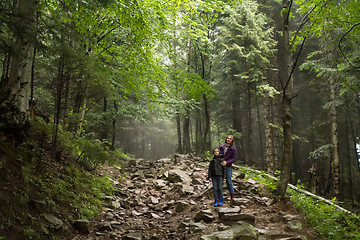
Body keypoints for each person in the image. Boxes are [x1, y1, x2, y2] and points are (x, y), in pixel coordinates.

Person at [219, 135, 237, 201]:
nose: (228, 139)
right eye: (227, 138)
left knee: (229, 181)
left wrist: (226, 162)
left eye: (230, 139)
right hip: (220, 167)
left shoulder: (233, 149)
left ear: (232, 140)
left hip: (228, 167)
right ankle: (219, 197)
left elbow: (234, 159)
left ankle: (232, 197)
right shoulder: (221, 147)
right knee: (219, 181)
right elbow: (218, 155)